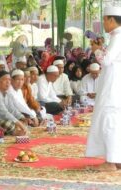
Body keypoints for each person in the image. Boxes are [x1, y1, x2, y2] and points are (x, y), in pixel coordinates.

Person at [86, 5, 121, 171]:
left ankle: (111, 162)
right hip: (114, 84)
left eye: (105, 20)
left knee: (110, 121)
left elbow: (106, 60)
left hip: (113, 86)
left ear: (111, 20)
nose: (104, 23)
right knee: (114, 122)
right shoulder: (116, 37)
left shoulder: (118, 36)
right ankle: (117, 159)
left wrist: (96, 50)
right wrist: (101, 48)